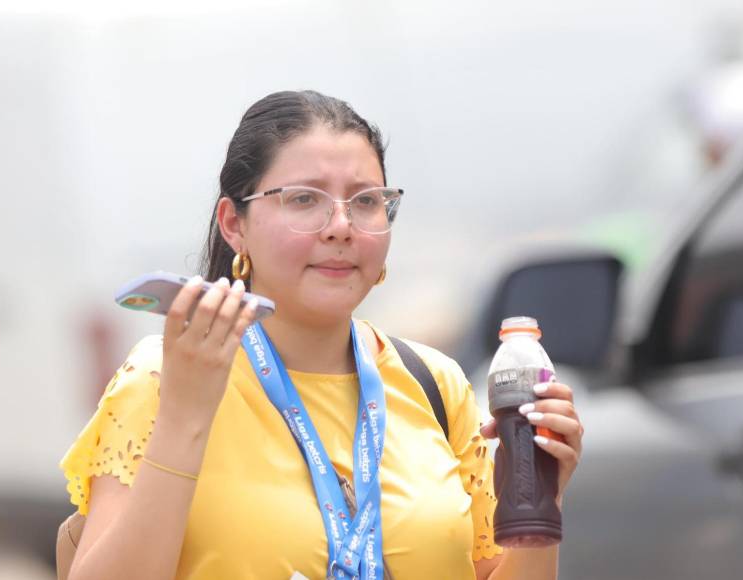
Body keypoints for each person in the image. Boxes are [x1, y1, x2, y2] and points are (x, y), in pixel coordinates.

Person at [59, 90, 584, 580]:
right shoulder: (164, 376)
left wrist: (542, 498)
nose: (340, 226)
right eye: (304, 199)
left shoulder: (435, 383)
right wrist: (184, 417)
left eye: (365, 201)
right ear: (233, 223)